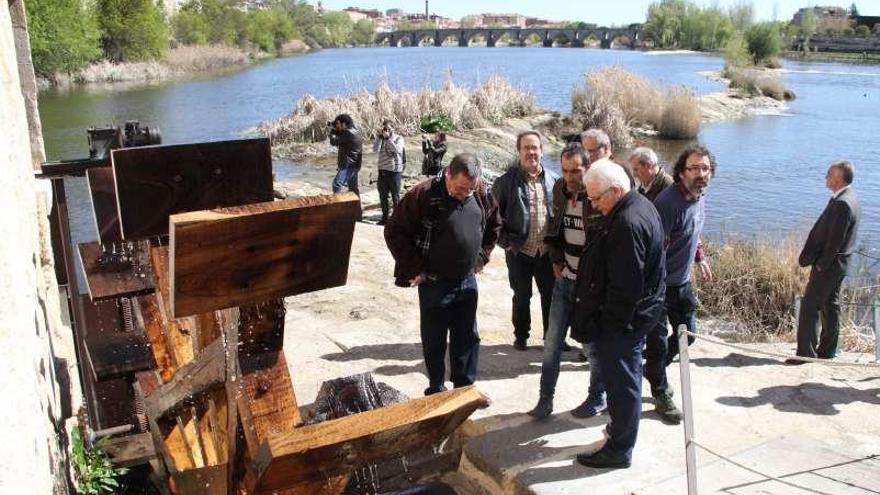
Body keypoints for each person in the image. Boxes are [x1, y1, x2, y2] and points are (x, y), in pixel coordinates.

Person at [571, 159, 666, 469]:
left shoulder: (627, 223)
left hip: (622, 325)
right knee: (624, 381)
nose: (594, 206)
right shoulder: (639, 204)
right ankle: (619, 433)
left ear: (615, 190)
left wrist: (607, 326)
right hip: (634, 318)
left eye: (597, 198)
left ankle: (619, 449)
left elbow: (626, 288)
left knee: (622, 385)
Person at [384, 153, 501, 395]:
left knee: (467, 337)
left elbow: (495, 226)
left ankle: (464, 389)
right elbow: (394, 231)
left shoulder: (481, 192)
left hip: (467, 280)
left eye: (468, 190)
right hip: (434, 282)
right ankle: (436, 388)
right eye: (459, 189)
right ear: (448, 173)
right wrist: (415, 268)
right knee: (434, 340)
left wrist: (480, 258)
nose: (463, 194)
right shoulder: (423, 194)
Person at [528, 143, 607, 420]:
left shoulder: (599, 192)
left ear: (588, 169)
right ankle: (544, 400)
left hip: (590, 287)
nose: (570, 177)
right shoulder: (560, 188)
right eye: (565, 170)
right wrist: (556, 259)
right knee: (552, 343)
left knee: (591, 346)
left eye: (576, 171)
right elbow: (554, 227)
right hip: (564, 280)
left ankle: (598, 396)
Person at [644, 144, 715, 424]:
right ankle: (661, 393)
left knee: (689, 335)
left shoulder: (699, 196)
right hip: (660, 286)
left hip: (682, 283)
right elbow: (653, 248)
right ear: (681, 171)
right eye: (694, 168)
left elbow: (693, 231)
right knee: (659, 341)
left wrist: (700, 258)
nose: (700, 173)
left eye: (705, 168)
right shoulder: (668, 203)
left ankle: (653, 369)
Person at [492, 131, 558, 351]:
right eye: (526, 148)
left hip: (547, 251)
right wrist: (506, 243)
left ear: (542, 150)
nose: (531, 152)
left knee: (551, 296)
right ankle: (521, 336)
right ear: (518, 151)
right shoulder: (505, 182)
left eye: (535, 147)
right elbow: (493, 217)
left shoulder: (553, 180)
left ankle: (552, 337)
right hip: (519, 250)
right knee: (521, 296)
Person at [789, 160, 860, 363]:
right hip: (840, 264)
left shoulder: (843, 203)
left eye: (829, 174)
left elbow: (835, 242)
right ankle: (828, 350)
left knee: (810, 306)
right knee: (831, 304)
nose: (826, 177)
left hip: (829, 266)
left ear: (838, 179)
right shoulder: (849, 197)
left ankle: (805, 355)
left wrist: (821, 265)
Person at [373, 120, 407, 225]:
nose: (386, 130)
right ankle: (385, 218)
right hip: (382, 171)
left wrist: (388, 139)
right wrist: (379, 138)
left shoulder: (399, 138)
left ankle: (397, 219)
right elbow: (375, 150)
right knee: (383, 196)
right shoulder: (381, 139)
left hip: (394, 172)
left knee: (395, 196)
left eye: (388, 128)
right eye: (384, 128)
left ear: (393, 128)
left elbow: (397, 150)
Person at [329, 114, 363, 196]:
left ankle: (339, 205)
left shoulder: (348, 133)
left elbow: (333, 142)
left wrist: (332, 131)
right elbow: (341, 137)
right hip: (354, 164)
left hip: (348, 165)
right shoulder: (355, 131)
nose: (337, 126)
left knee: (336, 184)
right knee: (353, 189)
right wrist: (335, 128)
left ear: (344, 124)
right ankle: (356, 207)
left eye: (338, 124)